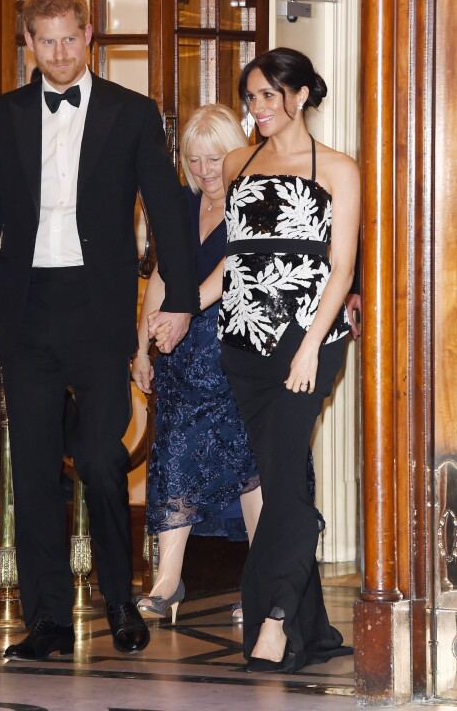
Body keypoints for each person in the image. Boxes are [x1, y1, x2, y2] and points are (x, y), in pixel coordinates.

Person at [0, 0, 199, 659]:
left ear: (89, 35)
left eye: (69, 38)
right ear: (29, 42)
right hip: (27, 313)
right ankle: (49, 620)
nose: (58, 52)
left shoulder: (132, 113)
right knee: (31, 469)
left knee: (99, 457)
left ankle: (119, 599)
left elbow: (167, 210)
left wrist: (179, 302)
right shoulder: (1, 117)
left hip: (98, 312)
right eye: (45, 40)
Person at [217, 48, 360, 672]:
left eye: (270, 96)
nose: (259, 109)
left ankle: (274, 618)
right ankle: (314, 629)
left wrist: (308, 347)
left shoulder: (337, 168)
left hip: (310, 345)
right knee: (282, 479)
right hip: (243, 343)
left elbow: (342, 268)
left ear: (300, 96)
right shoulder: (233, 164)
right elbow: (234, 260)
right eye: (251, 98)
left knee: (283, 486)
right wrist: (178, 309)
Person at [132, 105, 262, 623]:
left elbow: (232, 274)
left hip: (237, 348)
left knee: (249, 466)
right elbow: (165, 275)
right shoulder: (182, 205)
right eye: (195, 158)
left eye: (216, 157)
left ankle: (263, 579)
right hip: (181, 351)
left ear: (235, 154)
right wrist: (141, 345)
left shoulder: (254, 204)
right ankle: (168, 579)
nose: (207, 169)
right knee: (174, 458)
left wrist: (183, 311)